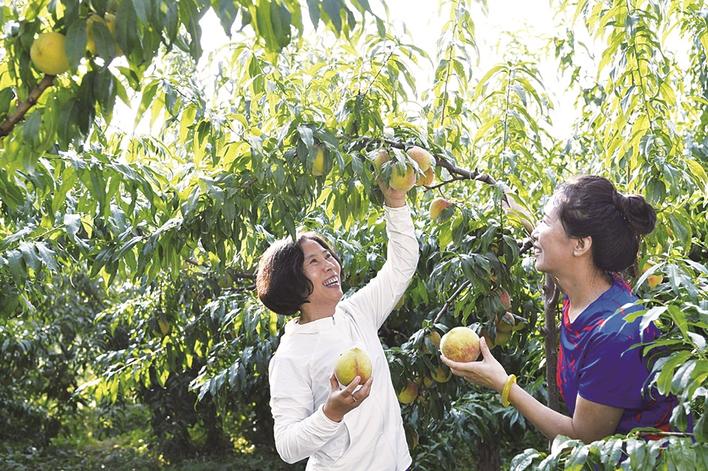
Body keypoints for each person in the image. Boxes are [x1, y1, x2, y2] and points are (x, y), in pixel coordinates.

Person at [442, 175, 677, 443]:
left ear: (581, 245)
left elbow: (585, 437)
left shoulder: (615, 335)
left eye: (544, 221)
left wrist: (503, 384)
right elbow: (554, 243)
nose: (535, 233)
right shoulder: (588, 287)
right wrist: (510, 202)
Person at [256, 181, 419, 470]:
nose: (330, 265)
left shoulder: (356, 312)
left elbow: (401, 265)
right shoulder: (291, 355)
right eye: (314, 262)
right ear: (294, 283)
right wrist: (331, 412)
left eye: (328, 255)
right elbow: (287, 446)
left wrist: (395, 202)